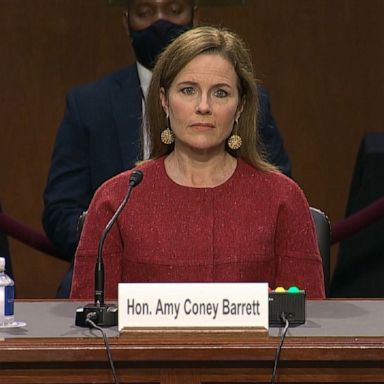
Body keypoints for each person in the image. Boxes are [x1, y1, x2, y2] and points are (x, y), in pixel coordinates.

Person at [43, 0, 291, 298]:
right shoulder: (110, 189)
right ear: (164, 101)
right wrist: (133, 240)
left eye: (221, 93)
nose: (203, 107)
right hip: (124, 281)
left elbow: (305, 312)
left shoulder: (282, 197)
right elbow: (61, 211)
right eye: (187, 91)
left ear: (240, 108)